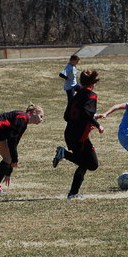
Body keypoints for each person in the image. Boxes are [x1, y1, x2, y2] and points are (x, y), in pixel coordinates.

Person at [52, 70, 105, 199]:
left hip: (70, 133)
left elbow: (66, 116)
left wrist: (89, 119)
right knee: (92, 164)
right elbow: (86, 112)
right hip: (79, 137)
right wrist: (97, 124)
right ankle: (64, 154)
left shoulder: (76, 95)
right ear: (94, 82)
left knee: (84, 163)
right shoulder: (91, 95)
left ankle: (73, 193)